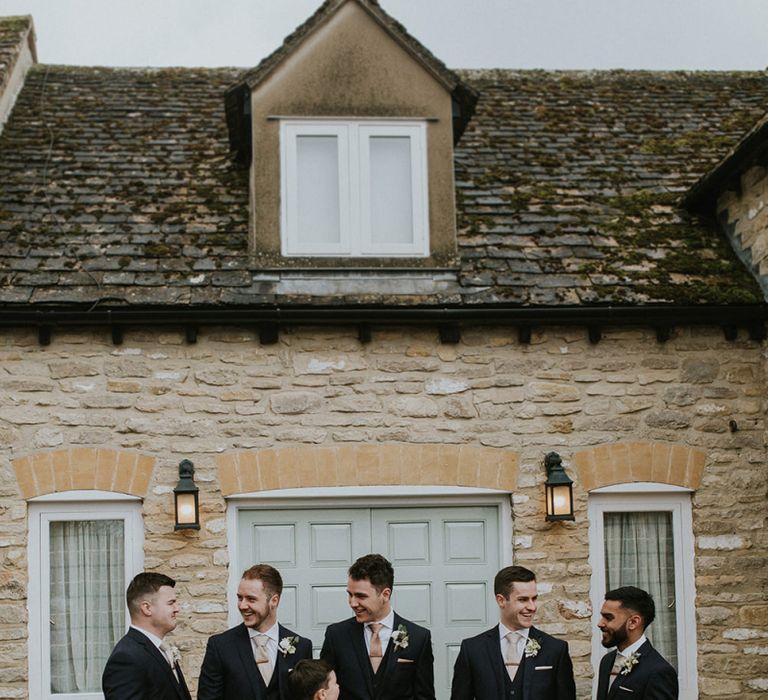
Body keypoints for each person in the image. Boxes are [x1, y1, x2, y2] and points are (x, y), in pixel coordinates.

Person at [320, 553, 435, 700]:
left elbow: (424, 696)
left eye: (361, 596)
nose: (353, 603)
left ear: (385, 594)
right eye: (350, 594)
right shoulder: (335, 635)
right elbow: (324, 691)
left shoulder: (419, 638)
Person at [450, 565, 575, 700]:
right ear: (501, 600)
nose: (532, 607)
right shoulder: (472, 650)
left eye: (534, 599)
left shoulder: (556, 649)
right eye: (523, 600)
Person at [198, 563, 313, 700]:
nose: (242, 606)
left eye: (251, 599)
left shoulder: (301, 647)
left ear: (274, 601)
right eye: (240, 598)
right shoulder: (220, 646)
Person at [102, 571, 192, 700]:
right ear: (147, 608)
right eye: (171, 603)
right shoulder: (127, 658)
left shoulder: (159, 649)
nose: (177, 608)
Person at [596, 586, 678, 700]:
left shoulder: (658, 671)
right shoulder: (607, 661)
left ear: (633, 622)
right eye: (602, 617)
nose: (600, 623)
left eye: (608, 618)